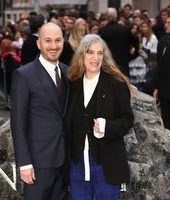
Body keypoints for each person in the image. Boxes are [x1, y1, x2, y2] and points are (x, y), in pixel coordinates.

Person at [66, 34, 133, 199]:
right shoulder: (72, 84)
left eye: (100, 53)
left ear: (105, 56)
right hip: (77, 163)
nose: (95, 58)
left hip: (107, 163)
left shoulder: (116, 84)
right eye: (90, 52)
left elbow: (127, 119)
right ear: (82, 55)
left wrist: (107, 127)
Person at [10, 22, 69, 200]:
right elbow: (18, 122)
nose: (53, 46)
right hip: (37, 163)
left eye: (58, 40)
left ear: (63, 42)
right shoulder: (24, 75)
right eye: (48, 40)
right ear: (39, 43)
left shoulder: (68, 72)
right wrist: (24, 163)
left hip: (65, 161)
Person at [99, 7, 138, 76]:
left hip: (108, 65)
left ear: (106, 17)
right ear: (116, 16)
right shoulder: (125, 29)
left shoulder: (102, 31)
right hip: (123, 64)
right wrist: (132, 56)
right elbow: (136, 42)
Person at [153, 16, 170, 130]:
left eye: (169, 22)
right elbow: (159, 66)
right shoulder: (163, 41)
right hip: (164, 90)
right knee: (166, 122)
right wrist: (156, 87)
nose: (165, 25)